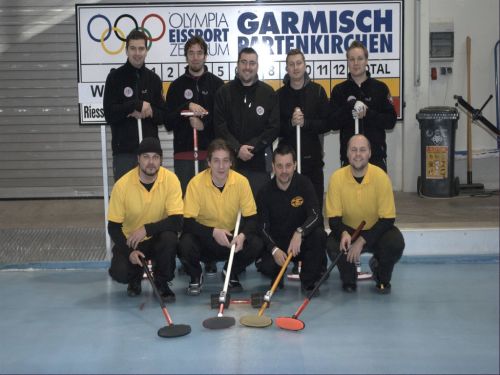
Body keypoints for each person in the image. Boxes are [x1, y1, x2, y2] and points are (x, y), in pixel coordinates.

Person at [177, 138, 263, 295]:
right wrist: (213, 232)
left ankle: (230, 272)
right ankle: (196, 275)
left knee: (256, 243)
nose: (221, 166)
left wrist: (242, 235)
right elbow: (187, 223)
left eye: (225, 161)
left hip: (231, 241)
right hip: (205, 239)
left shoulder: (242, 182)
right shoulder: (195, 184)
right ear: (209, 162)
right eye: (216, 161)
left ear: (231, 162)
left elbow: (252, 219)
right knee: (184, 243)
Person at [325, 134, 405, 294]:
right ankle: (349, 276)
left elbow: (388, 219)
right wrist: (343, 233)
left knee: (395, 242)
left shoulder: (381, 177)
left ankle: (380, 272)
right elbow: (333, 219)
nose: (358, 154)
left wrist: (362, 240)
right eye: (353, 150)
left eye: (362, 150)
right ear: (347, 153)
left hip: (376, 230)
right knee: (332, 245)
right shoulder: (336, 178)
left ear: (369, 153)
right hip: (348, 231)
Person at [107, 137, 183, 302]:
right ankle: (134, 277)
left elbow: (177, 221)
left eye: (155, 157)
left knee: (170, 238)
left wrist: (147, 229)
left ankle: (162, 282)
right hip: (131, 241)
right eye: (146, 157)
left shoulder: (171, 180)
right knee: (119, 272)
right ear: (138, 159)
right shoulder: (122, 185)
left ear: (161, 160)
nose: (151, 162)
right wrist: (130, 252)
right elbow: (113, 227)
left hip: (157, 238)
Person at [256, 144, 326, 294]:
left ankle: (308, 282)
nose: (284, 171)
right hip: (279, 245)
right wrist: (274, 249)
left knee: (319, 234)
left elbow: (316, 215)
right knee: (266, 266)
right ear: (273, 166)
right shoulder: (264, 192)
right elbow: (261, 227)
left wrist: (300, 232)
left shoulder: (305, 184)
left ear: (295, 165)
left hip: (300, 243)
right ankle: (277, 276)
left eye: (288, 165)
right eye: (279, 166)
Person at [214, 47, 280, 196]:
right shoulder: (223, 92)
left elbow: (273, 128)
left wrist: (251, 148)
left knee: (258, 210)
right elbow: (219, 126)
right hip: (229, 164)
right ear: (237, 64)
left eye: (252, 63)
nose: (247, 67)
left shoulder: (268, 93)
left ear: (257, 66)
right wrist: (237, 148)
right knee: (230, 212)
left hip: (259, 165)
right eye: (244, 62)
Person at [164, 36, 224, 194]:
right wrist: (186, 106)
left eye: (199, 53)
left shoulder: (217, 85)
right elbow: (168, 122)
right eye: (191, 53)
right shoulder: (176, 86)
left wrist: (204, 125)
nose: (195, 57)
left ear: (205, 56)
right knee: (186, 200)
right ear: (186, 56)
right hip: (184, 154)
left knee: (210, 201)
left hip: (210, 155)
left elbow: (223, 120)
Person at [103, 30, 165, 181]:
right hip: (124, 152)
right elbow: (110, 114)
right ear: (126, 50)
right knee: (124, 201)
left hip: (150, 154)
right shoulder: (114, 78)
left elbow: (164, 116)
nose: (137, 53)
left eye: (141, 48)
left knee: (152, 200)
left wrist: (148, 112)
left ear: (146, 50)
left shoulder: (154, 79)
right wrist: (134, 105)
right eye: (133, 48)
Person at [329, 41, 397, 172]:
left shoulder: (380, 88)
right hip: (349, 158)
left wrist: (368, 114)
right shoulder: (339, 90)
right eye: (352, 59)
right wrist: (349, 108)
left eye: (360, 58)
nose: (356, 63)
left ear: (366, 61)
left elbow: (390, 121)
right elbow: (332, 123)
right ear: (347, 62)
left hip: (376, 157)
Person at [277, 49, 330, 209]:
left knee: (314, 207)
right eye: (291, 64)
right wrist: (291, 124)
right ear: (286, 68)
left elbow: (327, 124)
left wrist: (306, 123)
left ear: (305, 65)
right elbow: (274, 128)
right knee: (289, 209)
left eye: (299, 63)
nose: (295, 67)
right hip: (287, 165)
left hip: (312, 162)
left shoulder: (318, 91)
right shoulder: (279, 95)